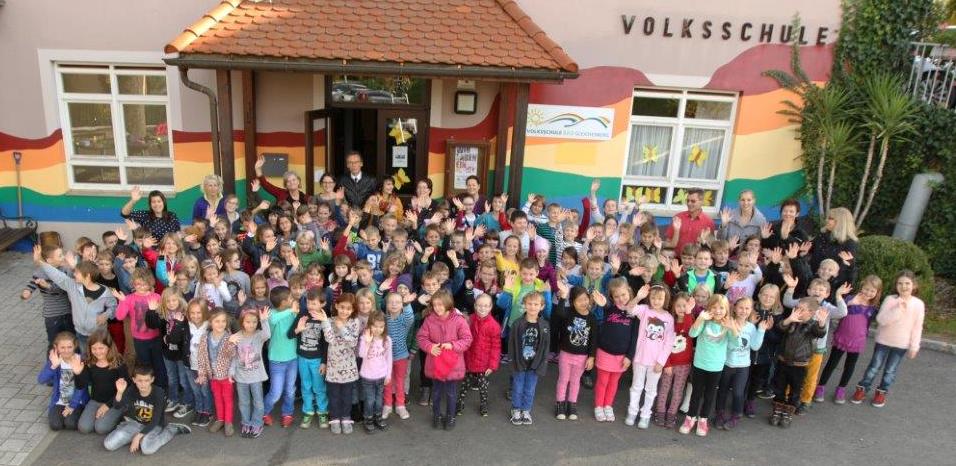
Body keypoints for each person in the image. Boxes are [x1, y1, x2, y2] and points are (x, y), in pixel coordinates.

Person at [851, 270, 924, 408]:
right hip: (883, 341)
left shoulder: (918, 304)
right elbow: (881, 320)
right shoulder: (890, 300)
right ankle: (863, 388)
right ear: (896, 285)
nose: (903, 286)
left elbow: (917, 327)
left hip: (901, 344)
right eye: (900, 283)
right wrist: (897, 310)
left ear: (914, 285)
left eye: (907, 283)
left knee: (890, 370)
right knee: (874, 367)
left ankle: (881, 392)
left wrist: (914, 346)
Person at [679, 295, 739, 437]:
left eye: (721, 308)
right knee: (696, 393)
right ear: (709, 308)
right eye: (714, 307)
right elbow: (692, 334)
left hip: (716, 367)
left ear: (727, 309)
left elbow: (735, 345)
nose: (718, 311)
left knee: (709, 395)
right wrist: (700, 318)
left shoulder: (728, 324)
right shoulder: (705, 321)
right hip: (700, 364)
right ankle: (690, 418)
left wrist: (732, 329)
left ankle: (703, 419)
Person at [818, 275, 882, 404]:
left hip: (857, 341)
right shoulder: (850, 299)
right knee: (832, 363)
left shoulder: (873, 307)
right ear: (861, 286)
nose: (868, 293)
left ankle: (841, 389)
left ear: (877, 293)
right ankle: (821, 386)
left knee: (850, 366)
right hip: (842, 337)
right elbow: (840, 310)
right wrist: (850, 303)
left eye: (872, 291)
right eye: (866, 289)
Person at [416, 289, 472, 431]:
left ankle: (451, 416)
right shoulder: (429, 320)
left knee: (451, 393)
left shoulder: (459, 320)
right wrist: (430, 347)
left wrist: (452, 345)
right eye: (435, 305)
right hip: (436, 364)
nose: (437, 308)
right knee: (436, 392)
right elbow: (421, 338)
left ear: (448, 303)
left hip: (452, 364)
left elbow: (467, 339)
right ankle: (436, 415)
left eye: (440, 304)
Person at [103, 365, 192, 455]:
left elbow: (155, 420)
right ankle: (136, 436)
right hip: (134, 423)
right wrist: (120, 392)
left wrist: (138, 436)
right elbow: (117, 406)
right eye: (140, 381)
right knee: (109, 445)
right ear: (134, 380)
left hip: (153, 426)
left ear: (152, 379)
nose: (143, 384)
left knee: (147, 449)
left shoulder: (158, 393)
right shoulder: (131, 390)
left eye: (146, 380)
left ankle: (171, 430)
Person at [714, 297, 770, 430]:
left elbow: (755, 346)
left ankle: (736, 415)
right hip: (726, 364)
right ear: (734, 308)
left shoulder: (751, 327)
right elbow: (723, 343)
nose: (744, 311)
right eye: (741, 307)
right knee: (722, 390)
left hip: (743, 366)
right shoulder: (728, 323)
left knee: (738, 393)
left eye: (747, 308)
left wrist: (761, 330)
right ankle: (719, 414)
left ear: (751, 310)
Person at [770, 297, 826, 428]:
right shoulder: (792, 321)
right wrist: (789, 319)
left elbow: (820, 333)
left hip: (799, 366)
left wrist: (822, 323)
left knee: (795, 391)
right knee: (779, 388)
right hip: (783, 361)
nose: (797, 310)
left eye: (802, 309)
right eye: (797, 307)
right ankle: (777, 411)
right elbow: (780, 327)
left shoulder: (812, 325)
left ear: (811, 312)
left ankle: (787, 414)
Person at [625, 285, 675, 429]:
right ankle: (632, 412)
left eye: (660, 298)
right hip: (640, 358)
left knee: (651, 390)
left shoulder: (669, 318)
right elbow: (629, 309)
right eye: (653, 298)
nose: (656, 301)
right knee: (636, 387)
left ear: (665, 299)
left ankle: (645, 415)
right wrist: (638, 297)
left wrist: (661, 362)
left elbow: (669, 342)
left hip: (655, 362)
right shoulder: (645, 310)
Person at [592, 278, 638, 423]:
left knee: (613, 382)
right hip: (605, 352)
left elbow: (635, 337)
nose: (621, 299)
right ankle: (599, 406)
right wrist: (603, 302)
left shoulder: (635, 313)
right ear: (612, 297)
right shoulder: (610, 308)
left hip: (622, 356)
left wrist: (629, 356)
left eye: (623, 295)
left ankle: (608, 405)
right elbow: (606, 304)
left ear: (629, 292)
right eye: (616, 296)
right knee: (602, 381)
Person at [552, 284, 598, 421]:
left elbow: (593, 339)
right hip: (566, 354)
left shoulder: (592, 318)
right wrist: (563, 297)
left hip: (582, 357)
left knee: (575, 381)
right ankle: (560, 403)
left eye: (585, 299)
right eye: (579, 300)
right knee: (563, 379)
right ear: (572, 302)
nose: (583, 303)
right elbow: (558, 314)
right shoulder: (568, 313)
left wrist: (591, 357)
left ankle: (572, 404)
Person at [322, 293, 362, 435]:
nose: (344, 311)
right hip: (333, 366)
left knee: (347, 395)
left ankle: (345, 418)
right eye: (342, 307)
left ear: (353, 310)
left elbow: (353, 343)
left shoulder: (355, 321)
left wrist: (342, 327)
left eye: (348, 308)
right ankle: (334, 418)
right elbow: (329, 340)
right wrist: (326, 322)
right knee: (333, 395)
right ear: (337, 306)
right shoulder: (329, 320)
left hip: (349, 366)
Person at [508, 292, 550, 426]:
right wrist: (512, 362)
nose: (532, 307)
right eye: (529, 304)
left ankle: (526, 410)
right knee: (517, 387)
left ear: (542, 307)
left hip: (534, 364)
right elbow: (511, 344)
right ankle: (516, 409)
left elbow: (546, 347)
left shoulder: (544, 326)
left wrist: (542, 364)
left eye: (536, 304)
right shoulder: (517, 324)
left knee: (530, 389)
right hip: (519, 363)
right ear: (524, 305)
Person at [653, 292, 695, 429]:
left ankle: (672, 414)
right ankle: (660, 412)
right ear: (673, 307)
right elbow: (662, 345)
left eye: (685, 306)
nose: (682, 308)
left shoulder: (691, 321)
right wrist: (666, 364)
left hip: (684, 365)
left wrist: (688, 313)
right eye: (679, 306)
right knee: (664, 389)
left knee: (677, 391)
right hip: (669, 363)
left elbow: (688, 330)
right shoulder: (670, 322)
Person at [291, 288, 330, 429]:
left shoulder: (325, 319)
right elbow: (290, 334)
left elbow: (327, 344)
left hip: (317, 360)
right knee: (305, 386)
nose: (310, 306)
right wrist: (298, 329)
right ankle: (308, 411)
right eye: (308, 303)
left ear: (322, 303)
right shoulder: (302, 315)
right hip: (302, 358)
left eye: (314, 303)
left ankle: (322, 411)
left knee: (319, 387)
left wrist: (324, 362)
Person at [458, 293, 501, 418]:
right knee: (464, 384)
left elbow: (496, 347)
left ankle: (483, 404)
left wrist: (492, 365)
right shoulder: (469, 320)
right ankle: (460, 402)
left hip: (484, 363)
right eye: (480, 305)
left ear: (491, 307)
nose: (483, 308)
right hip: (469, 359)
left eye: (486, 306)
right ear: (475, 306)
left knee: (483, 387)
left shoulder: (494, 325)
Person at [76, 330, 127, 435]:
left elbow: (127, 388)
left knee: (101, 428)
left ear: (109, 347)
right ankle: (104, 417)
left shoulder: (118, 363)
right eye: (94, 348)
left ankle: (120, 414)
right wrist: (78, 373)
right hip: (95, 401)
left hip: (114, 402)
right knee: (84, 428)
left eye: (101, 348)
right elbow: (80, 385)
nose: (97, 352)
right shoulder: (89, 363)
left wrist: (107, 406)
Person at [261, 286, 299, 428]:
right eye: (290, 298)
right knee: (276, 392)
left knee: (290, 390)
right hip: (276, 360)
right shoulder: (272, 314)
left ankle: (287, 413)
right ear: (283, 302)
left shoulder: (292, 312)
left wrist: (294, 312)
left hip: (292, 358)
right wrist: (291, 311)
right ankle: (264, 412)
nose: (292, 299)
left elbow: (297, 323)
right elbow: (273, 320)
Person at [196, 308, 237, 436]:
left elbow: (232, 355)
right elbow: (201, 357)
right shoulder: (205, 337)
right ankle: (220, 419)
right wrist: (202, 374)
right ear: (210, 322)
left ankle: (228, 422)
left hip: (226, 376)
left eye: (223, 321)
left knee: (227, 399)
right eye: (217, 321)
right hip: (213, 376)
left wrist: (230, 343)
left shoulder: (229, 338)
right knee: (217, 398)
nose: (221, 324)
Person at [232, 306, 271, 438]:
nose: (251, 324)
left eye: (254, 322)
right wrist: (231, 372)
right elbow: (233, 357)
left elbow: (267, 335)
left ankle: (257, 423)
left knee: (258, 402)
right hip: (241, 377)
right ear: (242, 322)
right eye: (248, 322)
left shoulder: (259, 335)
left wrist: (264, 320)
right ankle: (246, 422)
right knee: (243, 402)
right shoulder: (236, 336)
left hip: (256, 377)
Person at [39, 331, 88, 431]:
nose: (66, 351)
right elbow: (41, 380)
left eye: (69, 347)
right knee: (55, 425)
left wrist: (72, 405)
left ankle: (80, 412)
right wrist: (53, 366)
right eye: (62, 347)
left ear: (75, 346)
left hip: (77, 401)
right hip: (60, 401)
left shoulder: (80, 361)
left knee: (70, 424)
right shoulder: (55, 361)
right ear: (56, 347)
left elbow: (81, 387)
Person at [358, 311, 392, 433]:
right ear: (370, 325)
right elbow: (362, 354)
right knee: (370, 399)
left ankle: (378, 416)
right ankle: (368, 419)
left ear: (384, 327)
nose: (378, 329)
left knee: (379, 399)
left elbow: (389, 358)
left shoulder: (387, 340)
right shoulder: (364, 338)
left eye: (381, 327)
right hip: (368, 376)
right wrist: (367, 342)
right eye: (375, 326)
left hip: (381, 376)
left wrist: (388, 375)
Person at [810, 207, 859, 288]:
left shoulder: (850, 243)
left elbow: (847, 272)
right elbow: (809, 251)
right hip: (813, 282)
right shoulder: (821, 236)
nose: (827, 220)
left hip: (833, 287)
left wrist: (849, 263)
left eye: (830, 218)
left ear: (840, 222)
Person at [666, 188, 716, 254]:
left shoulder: (708, 222)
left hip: (696, 259)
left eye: (693, 201)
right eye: (687, 201)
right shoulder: (678, 217)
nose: (689, 203)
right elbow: (668, 241)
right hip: (676, 257)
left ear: (701, 202)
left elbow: (710, 247)